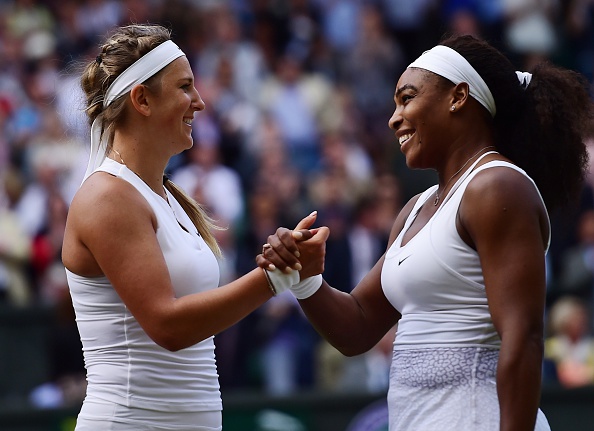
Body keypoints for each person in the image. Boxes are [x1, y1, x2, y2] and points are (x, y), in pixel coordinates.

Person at [258, 34, 593, 430]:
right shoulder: (415, 208)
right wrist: (305, 278)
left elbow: (524, 339)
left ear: (458, 97)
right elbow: (357, 329)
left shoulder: (496, 187)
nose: (393, 118)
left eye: (407, 98)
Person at [61, 24, 327, 431]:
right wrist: (275, 277)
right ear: (142, 100)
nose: (199, 102)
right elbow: (167, 325)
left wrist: (282, 261)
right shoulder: (107, 197)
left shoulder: (167, 196)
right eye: (185, 86)